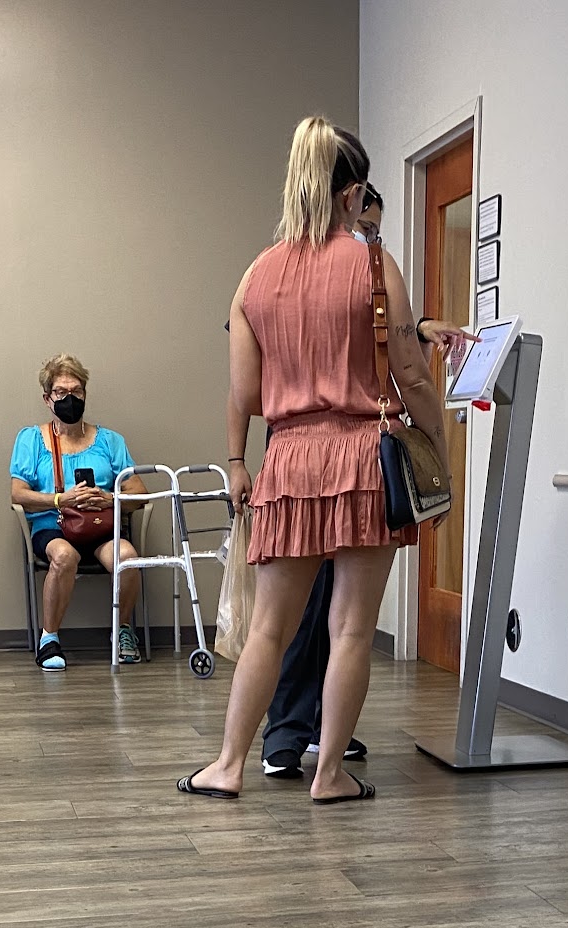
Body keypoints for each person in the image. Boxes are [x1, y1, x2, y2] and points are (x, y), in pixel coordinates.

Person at [180, 118, 449, 804]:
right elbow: (413, 375)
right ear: (353, 193)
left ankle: (228, 765)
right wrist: (438, 450)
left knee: (269, 627)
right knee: (351, 628)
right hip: (364, 455)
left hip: (290, 461)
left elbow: (245, 393)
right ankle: (329, 775)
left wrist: (242, 452)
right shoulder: (372, 264)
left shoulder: (255, 275)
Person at [260, 184, 477, 779]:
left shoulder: (352, 272)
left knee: (336, 606)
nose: (368, 239)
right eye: (364, 226)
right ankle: (288, 734)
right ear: (345, 205)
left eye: (375, 232)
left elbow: (365, 331)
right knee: (309, 609)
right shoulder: (295, 272)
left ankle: (322, 729)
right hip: (317, 453)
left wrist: (420, 326)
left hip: (336, 454)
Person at [10, 355, 148, 671]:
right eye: (61, 392)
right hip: (53, 526)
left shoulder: (110, 441)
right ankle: (49, 639)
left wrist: (108, 498)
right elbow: (18, 494)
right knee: (63, 557)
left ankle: (123, 630)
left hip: (101, 526)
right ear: (47, 398)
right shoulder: (31, 439)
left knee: (127, 557)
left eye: (76, 391)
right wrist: (62, 499)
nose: (69, 398)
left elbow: (140, 493)